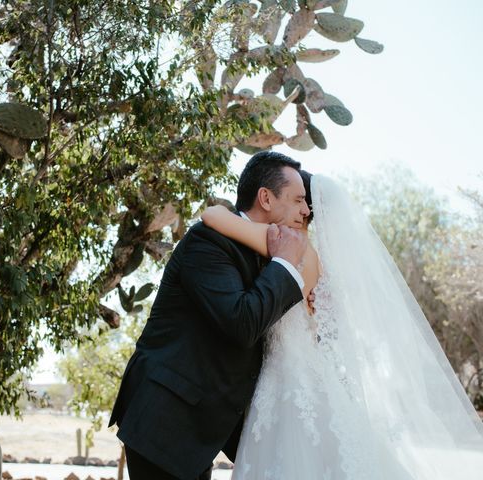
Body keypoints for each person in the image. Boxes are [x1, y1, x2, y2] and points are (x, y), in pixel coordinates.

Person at [201, 173, 483, 479]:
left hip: (291, 389)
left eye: (299, 201)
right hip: (292, 382)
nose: (299, 209)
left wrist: (219, 211)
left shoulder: (298, 252)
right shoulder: (310, 258)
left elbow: (214, 217)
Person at [108, 151, 313, 479]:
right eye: (298, 199)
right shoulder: (210, 242)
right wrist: (285, 264)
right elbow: (241, 323)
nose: (305, 211)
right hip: (166, 419)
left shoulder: (265, 253)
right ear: (266, 198)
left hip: (203, 426)